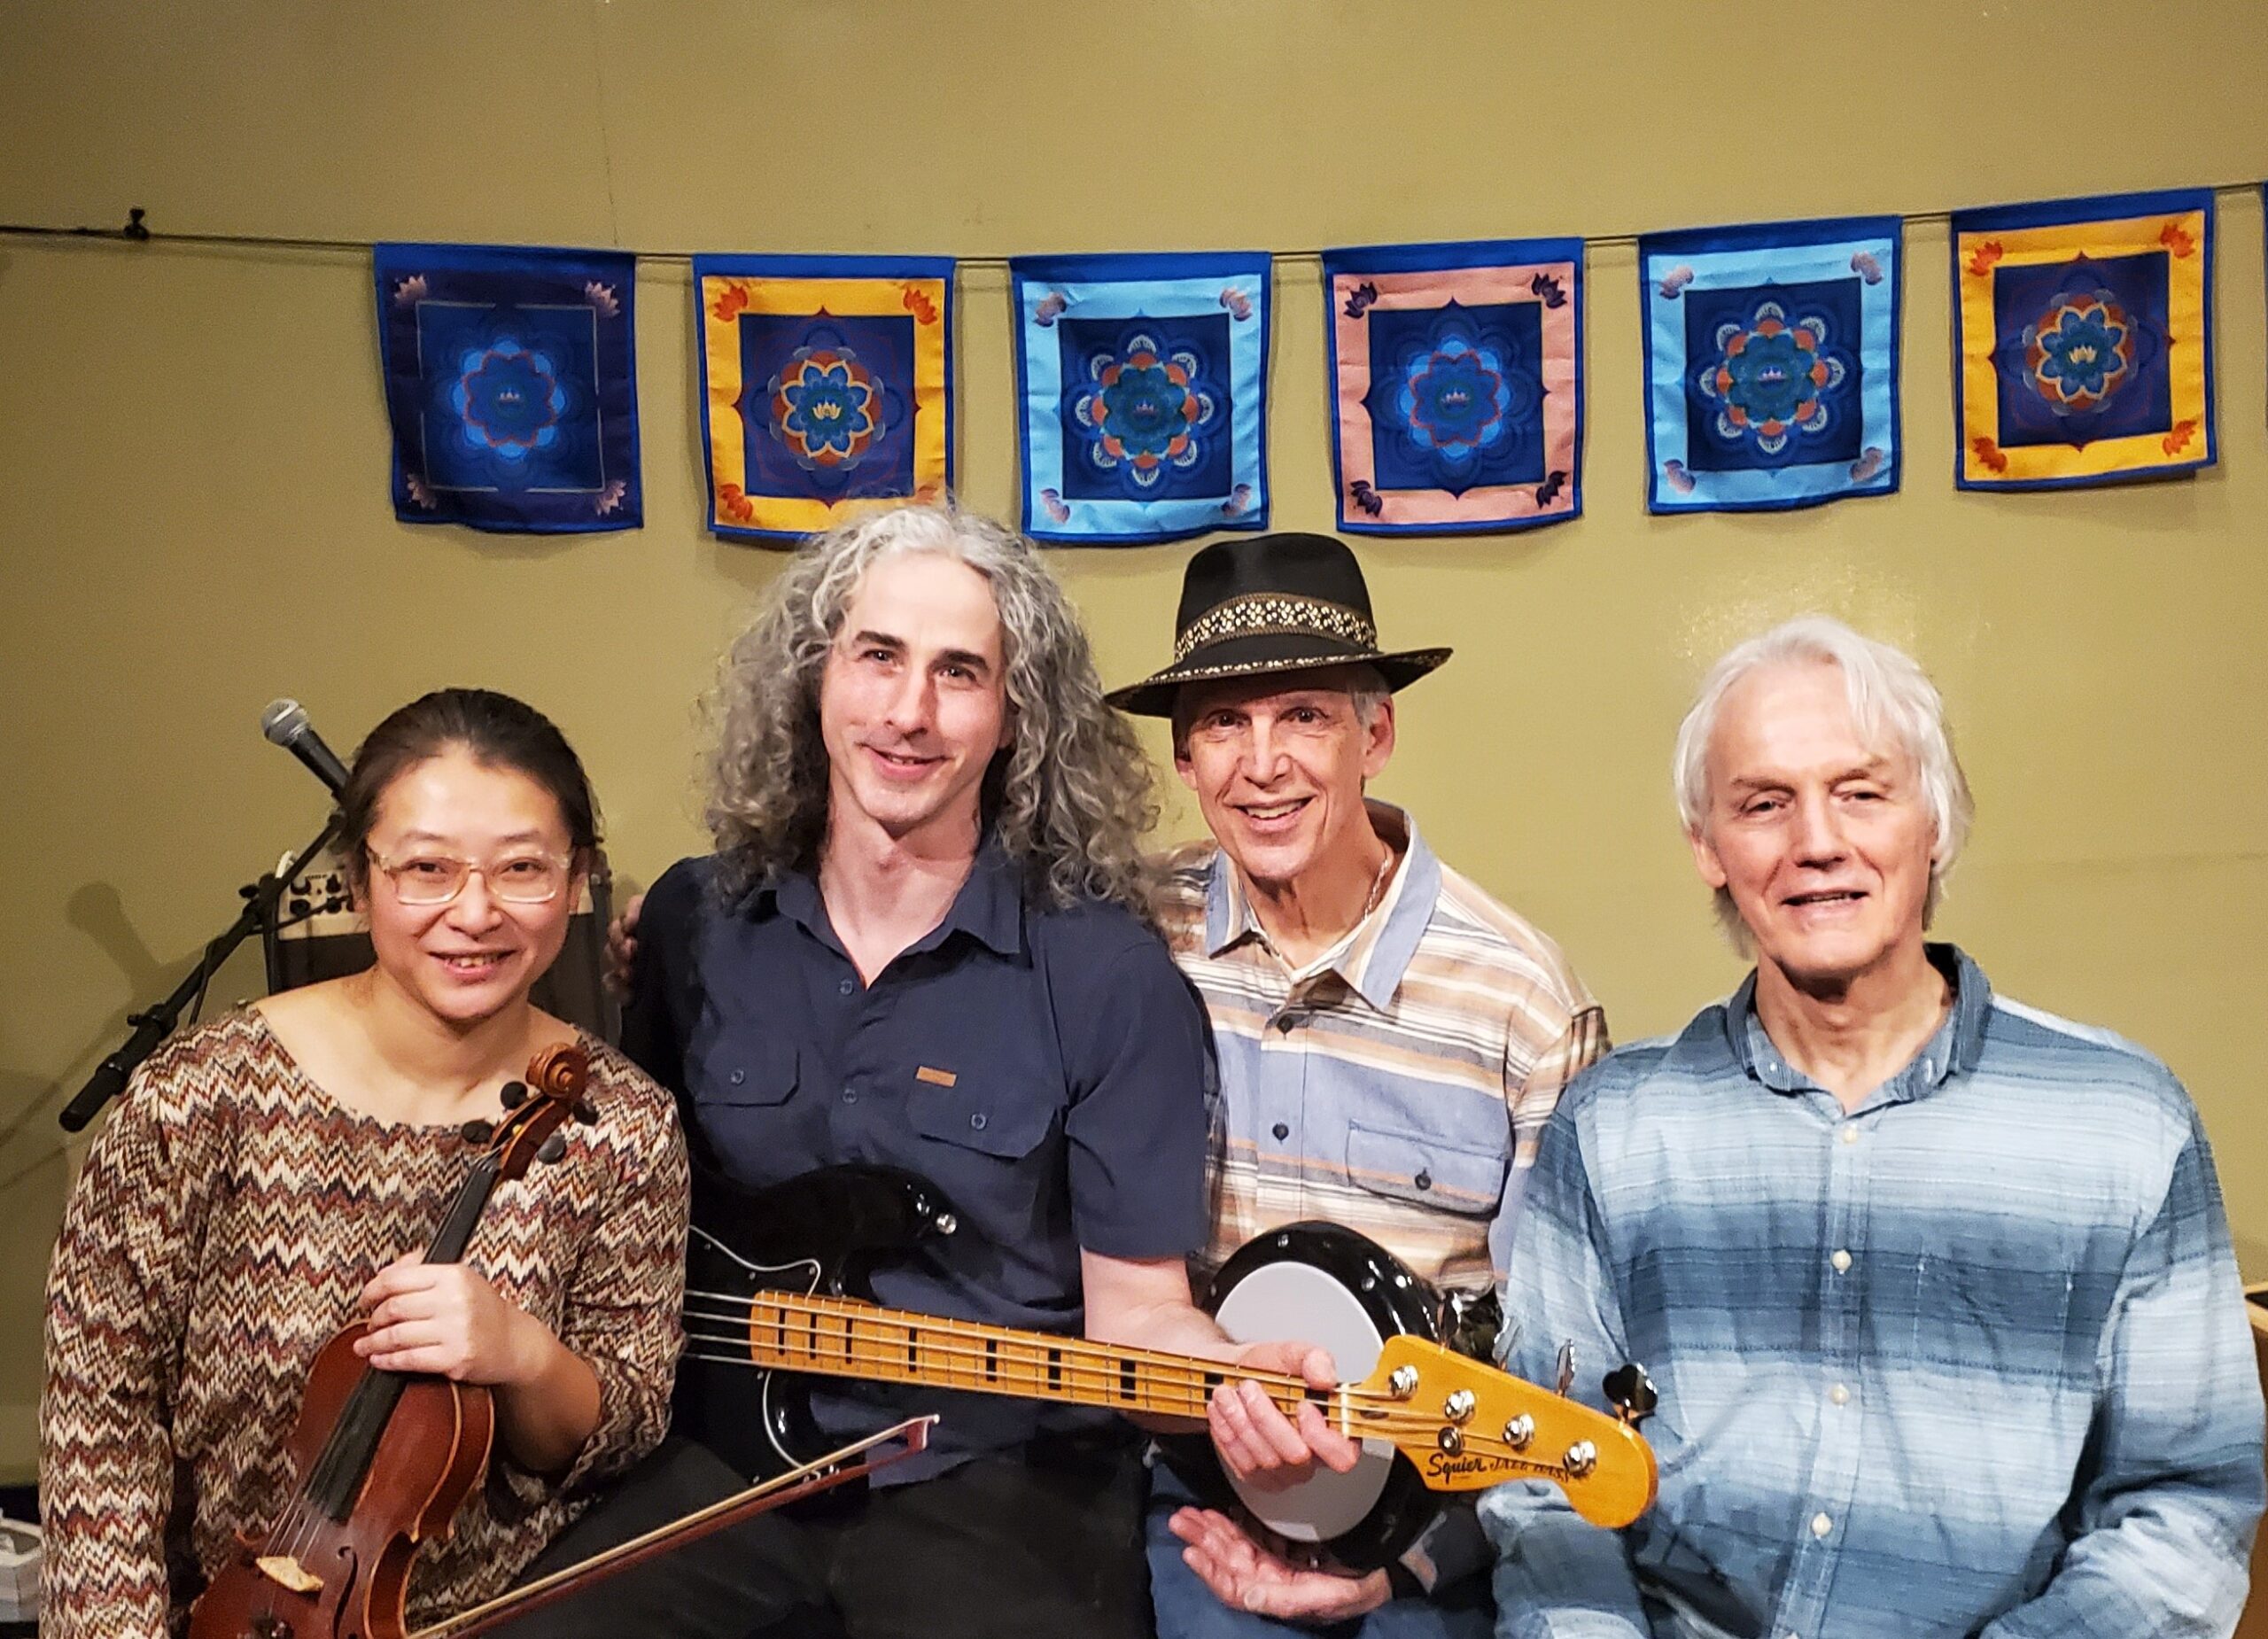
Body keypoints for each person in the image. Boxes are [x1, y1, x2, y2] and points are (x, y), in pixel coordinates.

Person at [617, 502, 1347, 1639]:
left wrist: (1232, 1372)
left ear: (1016, 717)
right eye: (877, 656)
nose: (909, 711)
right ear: (816, 679)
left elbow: (1139, 1309)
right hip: (719, 1466)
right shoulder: (693, 921)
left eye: (959, 672)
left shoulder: (1104, 972)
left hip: (1001, 1476)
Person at [1480, 616, 2267, 1637]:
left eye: (1860, 791)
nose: (1816, 841)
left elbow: (2182, 1510)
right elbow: (1544, 1482)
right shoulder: (1615, 1128)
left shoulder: (2122, 1124)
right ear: (1707, 847)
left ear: (1933, 821)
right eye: (1764, 803)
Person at [40, 688, 689, 1639]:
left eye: (522, 868)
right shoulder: (198, 1098)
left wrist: (521, 1351)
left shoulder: (622, 1124)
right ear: (358, 880)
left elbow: (617, 1432)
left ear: (577, 879)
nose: (475, 912)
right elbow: (100, 1425)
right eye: (426, 868)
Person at [1105, 532, 1609, 1638]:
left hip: (1434, 1514)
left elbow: (1563, 1353)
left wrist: (1412, 1565)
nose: (1262, 763)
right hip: (1195, 1494)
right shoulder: (1127, 937)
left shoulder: (1523, 1001)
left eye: (1303, 716)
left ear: (1375, 735)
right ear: (1183, 758)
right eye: (1222, 723)